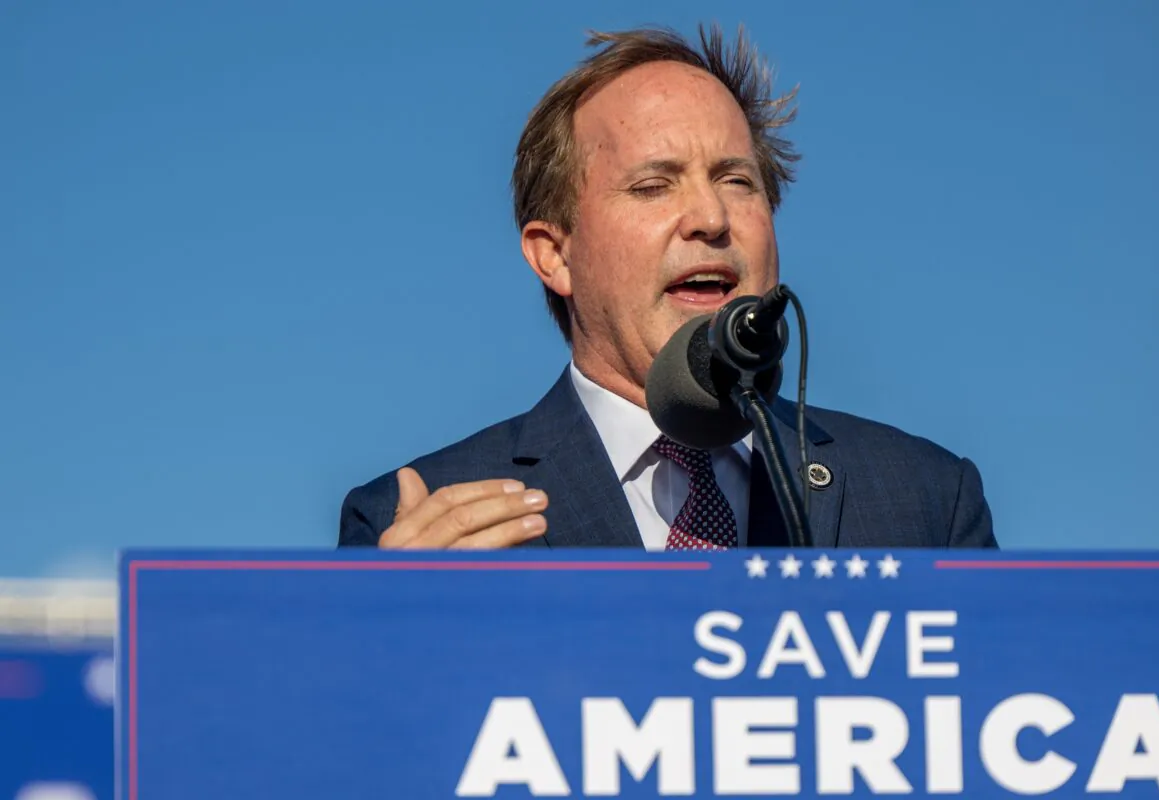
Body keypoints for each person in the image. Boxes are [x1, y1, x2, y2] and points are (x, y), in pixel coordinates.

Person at [338, 25, 997, 551]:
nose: (711, 219)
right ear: (554, 255)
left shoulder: (927, 500)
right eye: (654, 186)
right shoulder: (416, 518)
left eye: (737, 181)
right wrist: (401, 633)